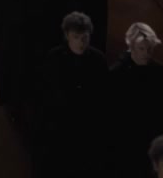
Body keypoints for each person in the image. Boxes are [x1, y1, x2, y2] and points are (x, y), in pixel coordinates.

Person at [34, 12, 109, 176]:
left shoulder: (98, 60)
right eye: (76, 37)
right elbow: (45, 95)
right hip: (59, 126)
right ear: (67, 35)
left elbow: (103, 98)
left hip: (86, 128)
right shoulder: (54, 58)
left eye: (85, 37)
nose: (81, 42)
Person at [110, 23, 163, 178]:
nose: (146, 53)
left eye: (149, 49)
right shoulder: (116, 75)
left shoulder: (160, 74)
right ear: (131, 46)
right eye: (141, 49)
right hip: (124, 147)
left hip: (150, 147)